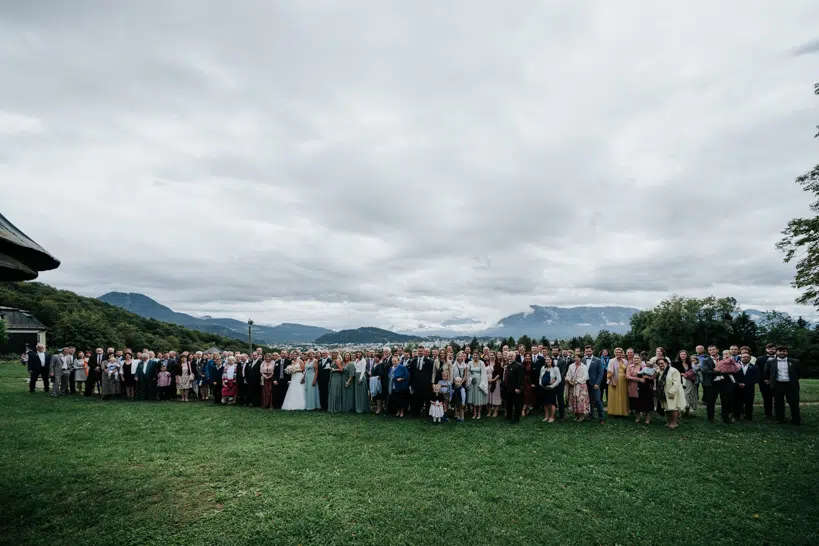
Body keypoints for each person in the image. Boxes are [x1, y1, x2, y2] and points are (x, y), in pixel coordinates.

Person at [768, 346, 801, 425]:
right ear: (776, 352)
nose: (782, 353)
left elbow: (800, 373)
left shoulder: (794, 361)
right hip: (777, 385)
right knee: (778, 403)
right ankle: (780, 419)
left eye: (784, 351)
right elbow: (767, 372)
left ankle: (796, 420)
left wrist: (793, 379)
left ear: (787, 352)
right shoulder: (770, 362)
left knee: (794, 403)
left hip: (791, 385)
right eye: (780, 351)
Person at [656, 359, 685, 429]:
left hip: (672, 392)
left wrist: (671, 392)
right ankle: (669, 421)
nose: (660, 365)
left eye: (662, 363)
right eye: (659, 364)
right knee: (667, 407)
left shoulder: (673, 371)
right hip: (663, 392)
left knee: (673, 407)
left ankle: (674, 423)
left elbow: (677, 383)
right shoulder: (659, 371)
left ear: (666, 363)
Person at [733, 352, 758, 421]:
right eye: (743, 357)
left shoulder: (754, 367)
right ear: (740, 358)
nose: (745, 358)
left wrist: (746, 384)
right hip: (737, 387)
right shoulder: (735, 367)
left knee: (749, 402)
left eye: (747, 357)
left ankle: (748, 417)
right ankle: (736, 416)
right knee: (737, 402)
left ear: (750, 358)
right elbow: (733, 377)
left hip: (749, 388)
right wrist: (738, 383)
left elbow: (756, 378)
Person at [583, 346, 605, 424]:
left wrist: (597, 383)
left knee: (597, 400)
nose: (588, 353)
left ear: (592, 351)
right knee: (588, 400)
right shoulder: (583, 360)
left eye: (589, 351)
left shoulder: (598, 360)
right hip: (585, 384)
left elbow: (601, 373)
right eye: (586, 351)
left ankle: (602, 417)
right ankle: (591, 415)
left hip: (595, 384)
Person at [409, 347, 432, 417]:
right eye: (419, 351)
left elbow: (430, 373)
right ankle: (416, 413)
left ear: (424, 352)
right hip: (416, 384)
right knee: (417, 399)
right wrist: (411, 384)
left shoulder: (429, 362)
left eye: (421, 351)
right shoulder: (413, 361)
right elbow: (411, 373)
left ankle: (428, 414)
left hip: (425, 384)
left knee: (427, 399)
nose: (420, 352)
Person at [565, 354, 589, 422]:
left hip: (581, 386)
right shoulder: (571, 366)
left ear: (580, 358)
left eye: (578, 357)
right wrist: (569, 381)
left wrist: (576, 382)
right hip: (572, 386)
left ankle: (581, 416)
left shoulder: (584, 366)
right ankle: (576, 415)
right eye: (575, 357)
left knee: (580, 401)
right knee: (573, 400)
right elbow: (568, 374)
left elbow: (586, 376)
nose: (576, 359)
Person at [755, 343, 777, 418]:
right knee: (767, 398)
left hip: (778, 382)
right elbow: (757, 371)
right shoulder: (760, 359)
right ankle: (768, 414)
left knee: (778, 398)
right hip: (764, 382)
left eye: (773, 349)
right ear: (766, 349)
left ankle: (779, 414)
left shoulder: (780, 358)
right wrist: (762, 380)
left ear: (775, 349)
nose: (771, 350)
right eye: (769, 349)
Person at [606, 348, 629, 418]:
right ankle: (614, 412)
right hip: (614, 380)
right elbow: (609, 372)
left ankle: (622, 412)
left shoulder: (625, 361)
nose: (618, 353)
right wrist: (613, 382)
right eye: (616, 352)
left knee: (623, 396)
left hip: (624, 381)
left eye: (620, 352)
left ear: (622, 353)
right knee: (614, 396)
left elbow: (627, 371)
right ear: (614, 353)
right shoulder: (611, 361)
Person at [503, 352, 524, 423]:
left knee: (516, 404)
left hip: (515, 388)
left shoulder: (519, 366)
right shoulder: (507, 365)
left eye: (511, 356)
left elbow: (520, 378)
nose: (510, 357)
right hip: (507, 387)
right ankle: (509, 416)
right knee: (508, 403)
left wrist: (518, 388)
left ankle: (516, 418)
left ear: (515, 357)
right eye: (509, 356)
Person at [539, 356, 561, 422]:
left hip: (551, 388)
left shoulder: (555, 368)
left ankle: (552, 417)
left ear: (551, 360)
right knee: (545, 403)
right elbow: (540, 377)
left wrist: (552, 386)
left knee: (551, 403)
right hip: (543, 388)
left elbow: (559, 379)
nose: (547, 361)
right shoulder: (543, 368)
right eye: (546, 359)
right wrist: (541, 384)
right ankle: (547, 416)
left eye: (549, 359)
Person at [467, 352, 488, 420]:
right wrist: (470, 379)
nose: (475, 356)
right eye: (474, 355)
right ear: (472, 356)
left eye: (476, 355)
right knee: (473, 397)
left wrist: (482, 383)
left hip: (479, 381)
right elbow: (468, 372)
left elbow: (484, 373)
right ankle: (474, 413)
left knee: (479, 397)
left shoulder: (481, 363)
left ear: (479, 356)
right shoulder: (469, 363)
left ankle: (479, 413)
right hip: (472, 382)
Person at [486, 352, 503, 418]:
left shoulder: (498, 364)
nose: (491, 356)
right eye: (490, 355)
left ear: (495, 356)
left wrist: (493, 380)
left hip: (495, 382)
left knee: (495, 396)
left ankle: (495, 411)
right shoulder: (486, 363)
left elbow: (499, 373)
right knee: (489, 397)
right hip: (488, 382)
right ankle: (489, 411)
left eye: (492, 355)